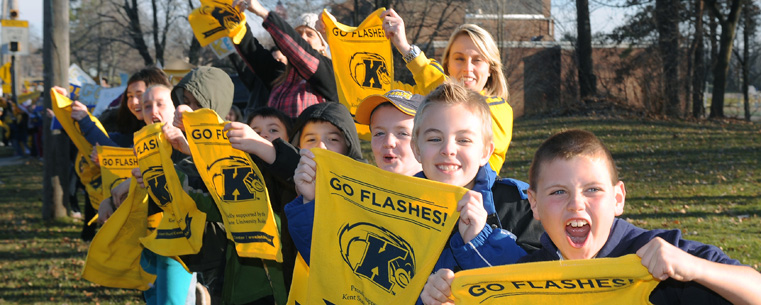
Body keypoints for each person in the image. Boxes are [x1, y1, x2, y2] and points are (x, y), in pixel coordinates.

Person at [420, 129, 761, 305]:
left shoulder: (659, 255)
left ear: (618, 198)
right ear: (534, 205)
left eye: (593, 190)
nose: (576, 205)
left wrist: (695, 268)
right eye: (558, 192)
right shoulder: (523, 278)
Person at [382, 10, 513, 174]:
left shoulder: (500, 110)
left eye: (477, 60)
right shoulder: (430, 99)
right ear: (447, 65)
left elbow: (460, 106)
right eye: (459, 59)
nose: (467, 68)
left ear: (490, 70)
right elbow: (383, 92)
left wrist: (407, 51)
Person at [232, 0, 337, 118]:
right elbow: (252, 51)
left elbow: (301, 53)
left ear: (323, 45)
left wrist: (263, 13)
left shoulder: (329, 72)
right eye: (298, 34)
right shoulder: (281, 78)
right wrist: (233, 20)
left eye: (310, 34)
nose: (302, 38)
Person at [354, 89, 423, 176]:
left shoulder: (441, 189)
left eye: (403, 133)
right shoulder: (359, 187)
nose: (388, 142)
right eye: (379, 133)